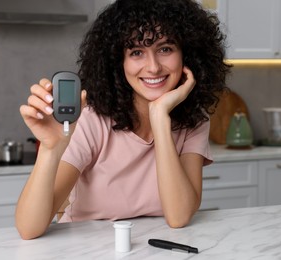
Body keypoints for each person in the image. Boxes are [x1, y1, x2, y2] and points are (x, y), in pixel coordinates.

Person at [16, 0, 230, 240]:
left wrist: (159, 118)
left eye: (165, 49)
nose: (153, 67)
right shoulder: (92, 119)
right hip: (85, 248)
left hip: (156, 248)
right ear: (119, 63)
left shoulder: (194, 121)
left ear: (187, 55)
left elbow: (179, 216)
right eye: (136, 52)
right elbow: (29, 229)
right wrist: (50, 149)